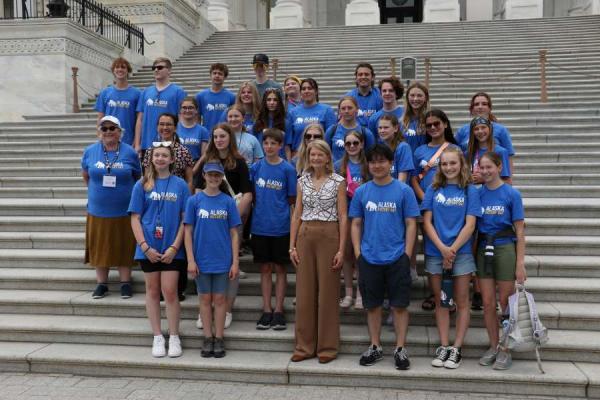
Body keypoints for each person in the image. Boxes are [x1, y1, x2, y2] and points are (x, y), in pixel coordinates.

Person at [350, 144, 419, 370]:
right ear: (368, 165)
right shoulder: (362, 191)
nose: (377, 165)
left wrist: (407, 255)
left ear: (391, 164)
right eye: (373, 162)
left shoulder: (404, 190)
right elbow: (356, 223)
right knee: (373, 306)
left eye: (382, 161)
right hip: (369, 257)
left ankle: (400, 348)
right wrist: (359, 253)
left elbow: (411, 224)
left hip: (397, 256)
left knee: (399, 306)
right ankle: (375, 346)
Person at [421, 147, 481, 369]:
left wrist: (452, 250)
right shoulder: (433, 188)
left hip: (461, 253)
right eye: (444, 164)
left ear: (461, 164)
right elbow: (427, 222)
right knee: (442, 301)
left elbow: (471, 224)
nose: (448, 168)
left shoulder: (470, 190)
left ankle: (456, 348)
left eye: (452, 163)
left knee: (462, 301)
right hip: (436, 252)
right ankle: (444, 345)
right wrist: (442, 249)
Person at [129, 143, 189, 358]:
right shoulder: (142, 184)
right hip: (148, 247)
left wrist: (175, 246)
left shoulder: (181, 185)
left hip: (172, 248)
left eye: (165, 155)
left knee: (170, 292)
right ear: (151, 159)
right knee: (152, 291)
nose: (161, 159)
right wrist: (144, 246)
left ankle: (174, 336)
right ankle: (157, 336)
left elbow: (185, 219)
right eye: (157, 155)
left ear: (172, 159)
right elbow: (135, 218)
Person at [289, 140, 347, 363]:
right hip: (305, 234)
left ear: (327, 157)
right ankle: (304, 346)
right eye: (312, 155)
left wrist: (342, 249)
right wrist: (291, 245)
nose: (315, 159)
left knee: (328, 294)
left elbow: (343, 216)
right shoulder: (302, 181)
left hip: (329, 234)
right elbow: (296, 214)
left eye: (320, 155)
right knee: (304, 294)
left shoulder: (338, 181)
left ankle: (327, 347)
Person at [194, 123, 253, 330]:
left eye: (223, 136)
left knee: (230, 266)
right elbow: (196, 190)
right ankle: (205, 310)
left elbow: (247, 193)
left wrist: (233, 218)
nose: (219, 140)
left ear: (230, 138)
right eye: (215, 136)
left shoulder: (239, 162)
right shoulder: (206, 161)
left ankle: (227, 309)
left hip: (230, 220)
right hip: (207, 221)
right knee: (205, 264)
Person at [185, 161, 241, 358]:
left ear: (221, 177)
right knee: (205, 299)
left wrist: (235, 262)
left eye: (218, 175)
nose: (214, 178)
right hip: (201, 258)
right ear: (205, 176)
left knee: (219, 299)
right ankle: (208, 337)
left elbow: (234, 233)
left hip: (222, 258)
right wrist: (190, 260)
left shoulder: (227, 201)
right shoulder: (194, 200)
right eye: (210, 175)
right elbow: (188, 231)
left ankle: (219, 337)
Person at [81, 116, 141, 299]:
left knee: (124, 245)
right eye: (104, 128)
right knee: (100, 246)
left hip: (124, 210)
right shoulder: (90, 151)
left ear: (119, 132)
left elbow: (137, 177)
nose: (108, 132)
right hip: (98, 210)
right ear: (99, 132)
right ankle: (102, 284)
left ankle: (125, 282)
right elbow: (86, 176)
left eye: (112, 128)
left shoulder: (130, 152)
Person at [477, 151, 526, 370]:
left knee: (505, 302)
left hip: (505, 247)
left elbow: (520, 231)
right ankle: (493, 344)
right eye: (482, 167)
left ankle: (506, 348)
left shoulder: (511, 194)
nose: (486, 171)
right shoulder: (477, 194)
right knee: (487, 302)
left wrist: (520, 263)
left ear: (499, 167)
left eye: (490, 167)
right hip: (483, 248)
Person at [251, 128, 297, 330]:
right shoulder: (256, 167)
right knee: (265, 268)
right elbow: (251, 194)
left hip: (280, 226)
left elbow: (291, 198)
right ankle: (266, 309)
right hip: (260, 226)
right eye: (266, 143)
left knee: (280, 268)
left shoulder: (287, 169)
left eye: (273, 143)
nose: (269, 146)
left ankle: (279, 309)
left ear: (280, 146)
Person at [411, 109, 458, 309]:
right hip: (427, 206)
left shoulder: (455, 148)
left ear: (445, 124)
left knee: (450, 245)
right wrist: (426, 200)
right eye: (428, 125)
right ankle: (434, 292)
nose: (432, 128)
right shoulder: (420, 151)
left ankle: (452, 292)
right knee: (431, 249)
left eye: (436, 124)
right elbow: (414, 179)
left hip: (451, 206)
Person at [334, 130, 369, 310]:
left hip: (366, 217)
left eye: (356, 143)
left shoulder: (368, 164)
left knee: (361, 255)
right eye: (348, 144)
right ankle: (348, 293)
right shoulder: (338, 165)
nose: (352, 146)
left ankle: (361, 293)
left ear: (362, 144)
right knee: (347, 254)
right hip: (345, 216)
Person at [135, 57, 187, 155]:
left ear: (169, 71)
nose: (156, 70)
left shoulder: (178, 92)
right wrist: (137, 144)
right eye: (154, 68)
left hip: (169, 145)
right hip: (147, 144)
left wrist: (178, 141)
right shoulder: (146, 92)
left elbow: (181, 119)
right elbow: (140, 120)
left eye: (160, 67)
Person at [454, 92, 515, 172]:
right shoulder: (462, 130)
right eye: (476, 104)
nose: (480, 107)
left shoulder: (501, 129)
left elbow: (508, 157)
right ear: (472, 109)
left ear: (490, 108)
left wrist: (508, 179)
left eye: (484, 104)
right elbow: (455, 154)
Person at [142, 113, 194, 194]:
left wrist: (187, 202)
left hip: (177, 194)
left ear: (175, 128)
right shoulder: (150, 151)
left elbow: (190, 181)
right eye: (161, 124)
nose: (165, 127)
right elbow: (147, 177)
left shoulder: (184, 151)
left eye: (168, 124)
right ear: (157, 127)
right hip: (155, 195)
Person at [95, 57, 141, 146]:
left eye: (123, 67)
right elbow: (100, 117)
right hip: (108, 139)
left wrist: (136, 141)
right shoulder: (105, 93)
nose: (120, 69)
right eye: (117, 67)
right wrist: (100, 136)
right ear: (113, 70)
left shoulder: (137, 93)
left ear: (128, 70)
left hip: (128, 140)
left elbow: (139, 120)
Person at [286, 78, 337, 155]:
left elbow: (331, 138)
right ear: (300, 92)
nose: (306, 91)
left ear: (316, 91)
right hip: (298, 156)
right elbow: (288, 142)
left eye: (310, 88)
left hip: (319, 155)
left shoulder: (327, 110)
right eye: (303, 89)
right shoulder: (292, 112)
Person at [325, 96, 375, 163]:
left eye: (350, 108)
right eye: (343, 108)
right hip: (337, 172)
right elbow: (325, 153)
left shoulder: (366, 133)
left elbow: (371, 157)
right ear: (339, 111)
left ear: (357, 110)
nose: (346, 111)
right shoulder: (331, 131)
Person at [466, 116, 512, 184]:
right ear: (472, 132)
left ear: (490, 129)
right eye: (476, 129)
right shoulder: (468, 153)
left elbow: (507, 182)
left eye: (483, 127)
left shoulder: (500, 152)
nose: (480, 131)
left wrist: (484, 179)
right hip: (474, 193)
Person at [195, 63, 236, 133]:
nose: (217, 76)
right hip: (207, 134)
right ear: (210, 75)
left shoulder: (231, 96)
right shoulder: (200, 96)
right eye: (214, 73)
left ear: (225, 77)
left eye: (220, 74)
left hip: (225, 134)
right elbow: (197, 117)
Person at [254, 88, 290, 160]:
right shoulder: (258, 122)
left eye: (275, 100)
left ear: (279, 102)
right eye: (269, 100)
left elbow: (287, 147)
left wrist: (289, 165)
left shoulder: (285, 122)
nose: (272, 102)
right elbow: (254, 146)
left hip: (280, 162)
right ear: (264, 102)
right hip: (262, 162)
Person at [177, 97, 210, 174]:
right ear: (180, 110)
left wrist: (194, 169)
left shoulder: (203, 130)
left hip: (195, 168)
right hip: (176, 167)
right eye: (184, 108)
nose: (187, 110)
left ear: (196, 110)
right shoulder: (174, 128)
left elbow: (204, 155)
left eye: (191, 108)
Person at [377, 114, 414, 182]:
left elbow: (402, 181)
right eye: (380, 128)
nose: (382, 130)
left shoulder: (403, 148)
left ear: (395, 128)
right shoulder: (379, 149)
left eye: (386, 127)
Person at [345, 63, 383, 128]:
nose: (363, 77)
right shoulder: (348, 97)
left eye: (366, 74)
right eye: (360, 75)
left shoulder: (381, 95)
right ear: (356, 78)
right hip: (355, 134)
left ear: (373, 77)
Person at [401, 82, 429, 154]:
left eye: (419, 95)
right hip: (407, 163)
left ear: (425, 98)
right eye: (412, 95)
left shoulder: (431, 120)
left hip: (426, 163)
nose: (415, 99)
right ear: (407, 97)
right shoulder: (400, 122)